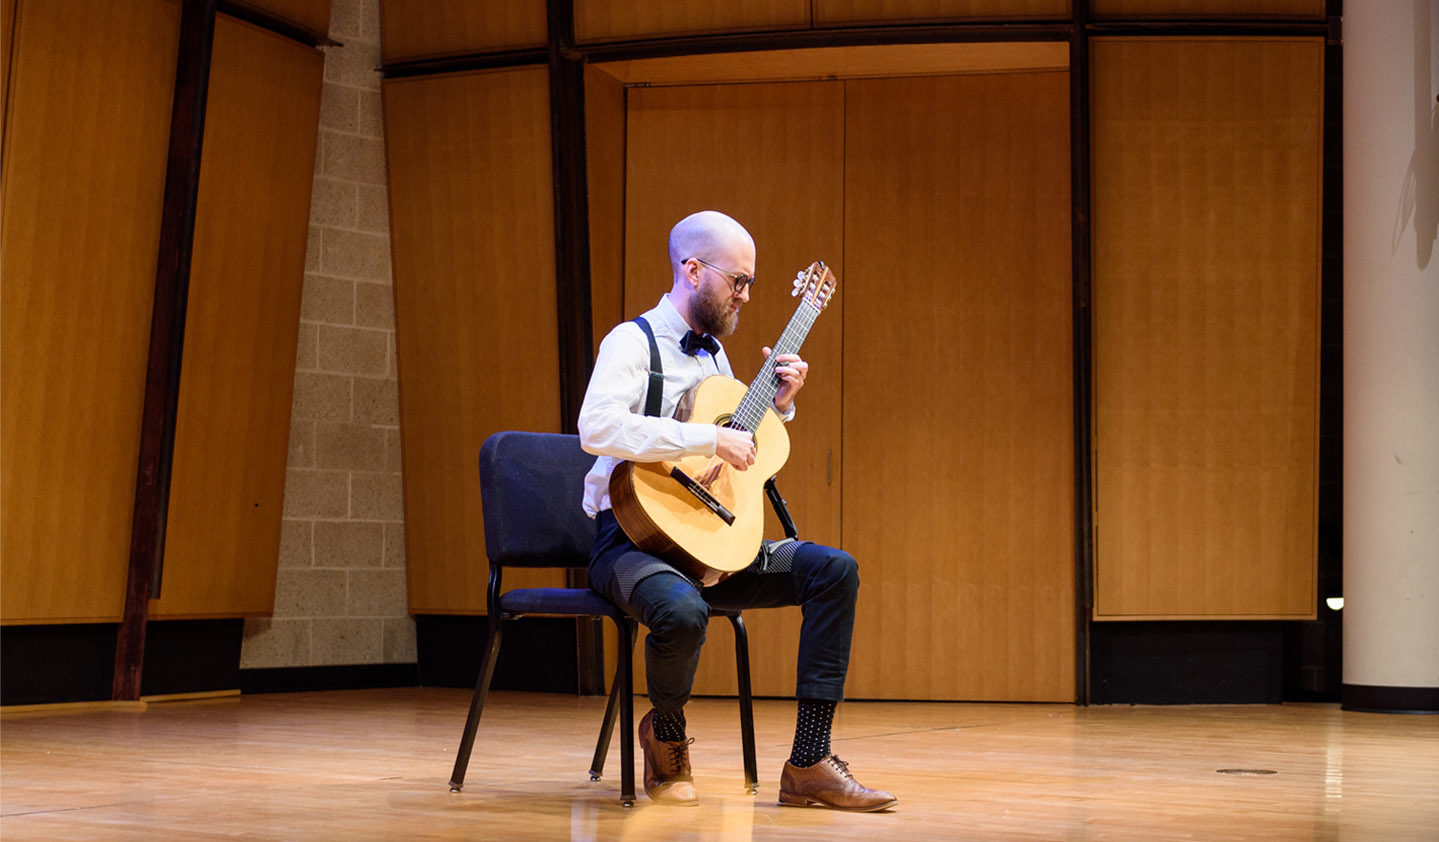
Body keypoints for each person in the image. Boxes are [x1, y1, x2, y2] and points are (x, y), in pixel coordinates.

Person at [577, 210, 896, 811]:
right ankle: (665, 734)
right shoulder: (632, 342)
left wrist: (775, 406)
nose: (746, 295)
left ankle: (809, 762)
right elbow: (595, 428)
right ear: (692, 270)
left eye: (751, 283)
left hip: (715, 541)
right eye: (737, 281)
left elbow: (738, 460)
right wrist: (705, 440)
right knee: (681, 609)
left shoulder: (719, 359)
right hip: (630, 543)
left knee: (835, 571)